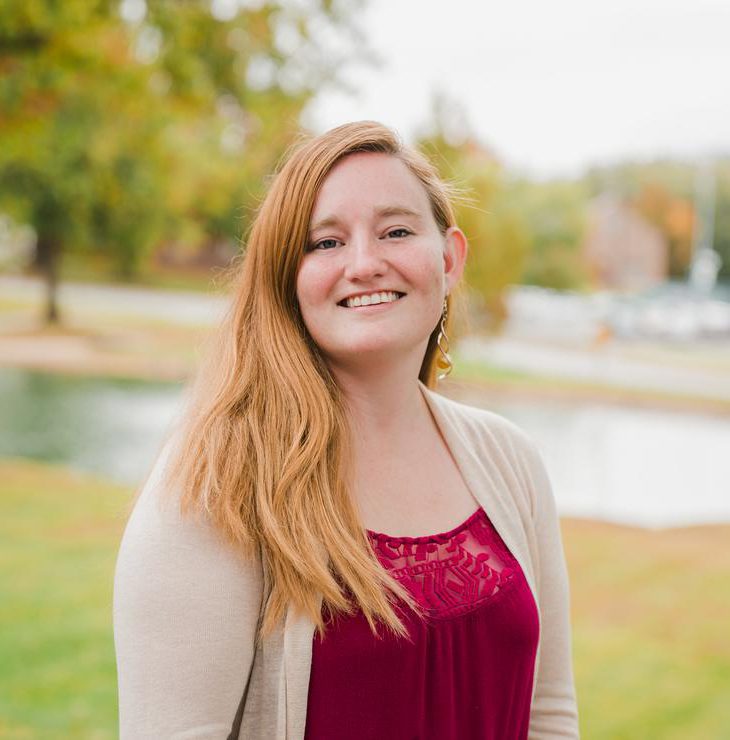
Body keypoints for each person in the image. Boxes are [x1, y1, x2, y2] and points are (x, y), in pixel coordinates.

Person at [113, 121, 579, 739]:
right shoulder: (217, 483)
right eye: (325, 243)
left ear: (449, 259)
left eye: (396, 231)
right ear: (288, 277)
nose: (364, 264)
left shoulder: (511, 461)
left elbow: (548, 714)